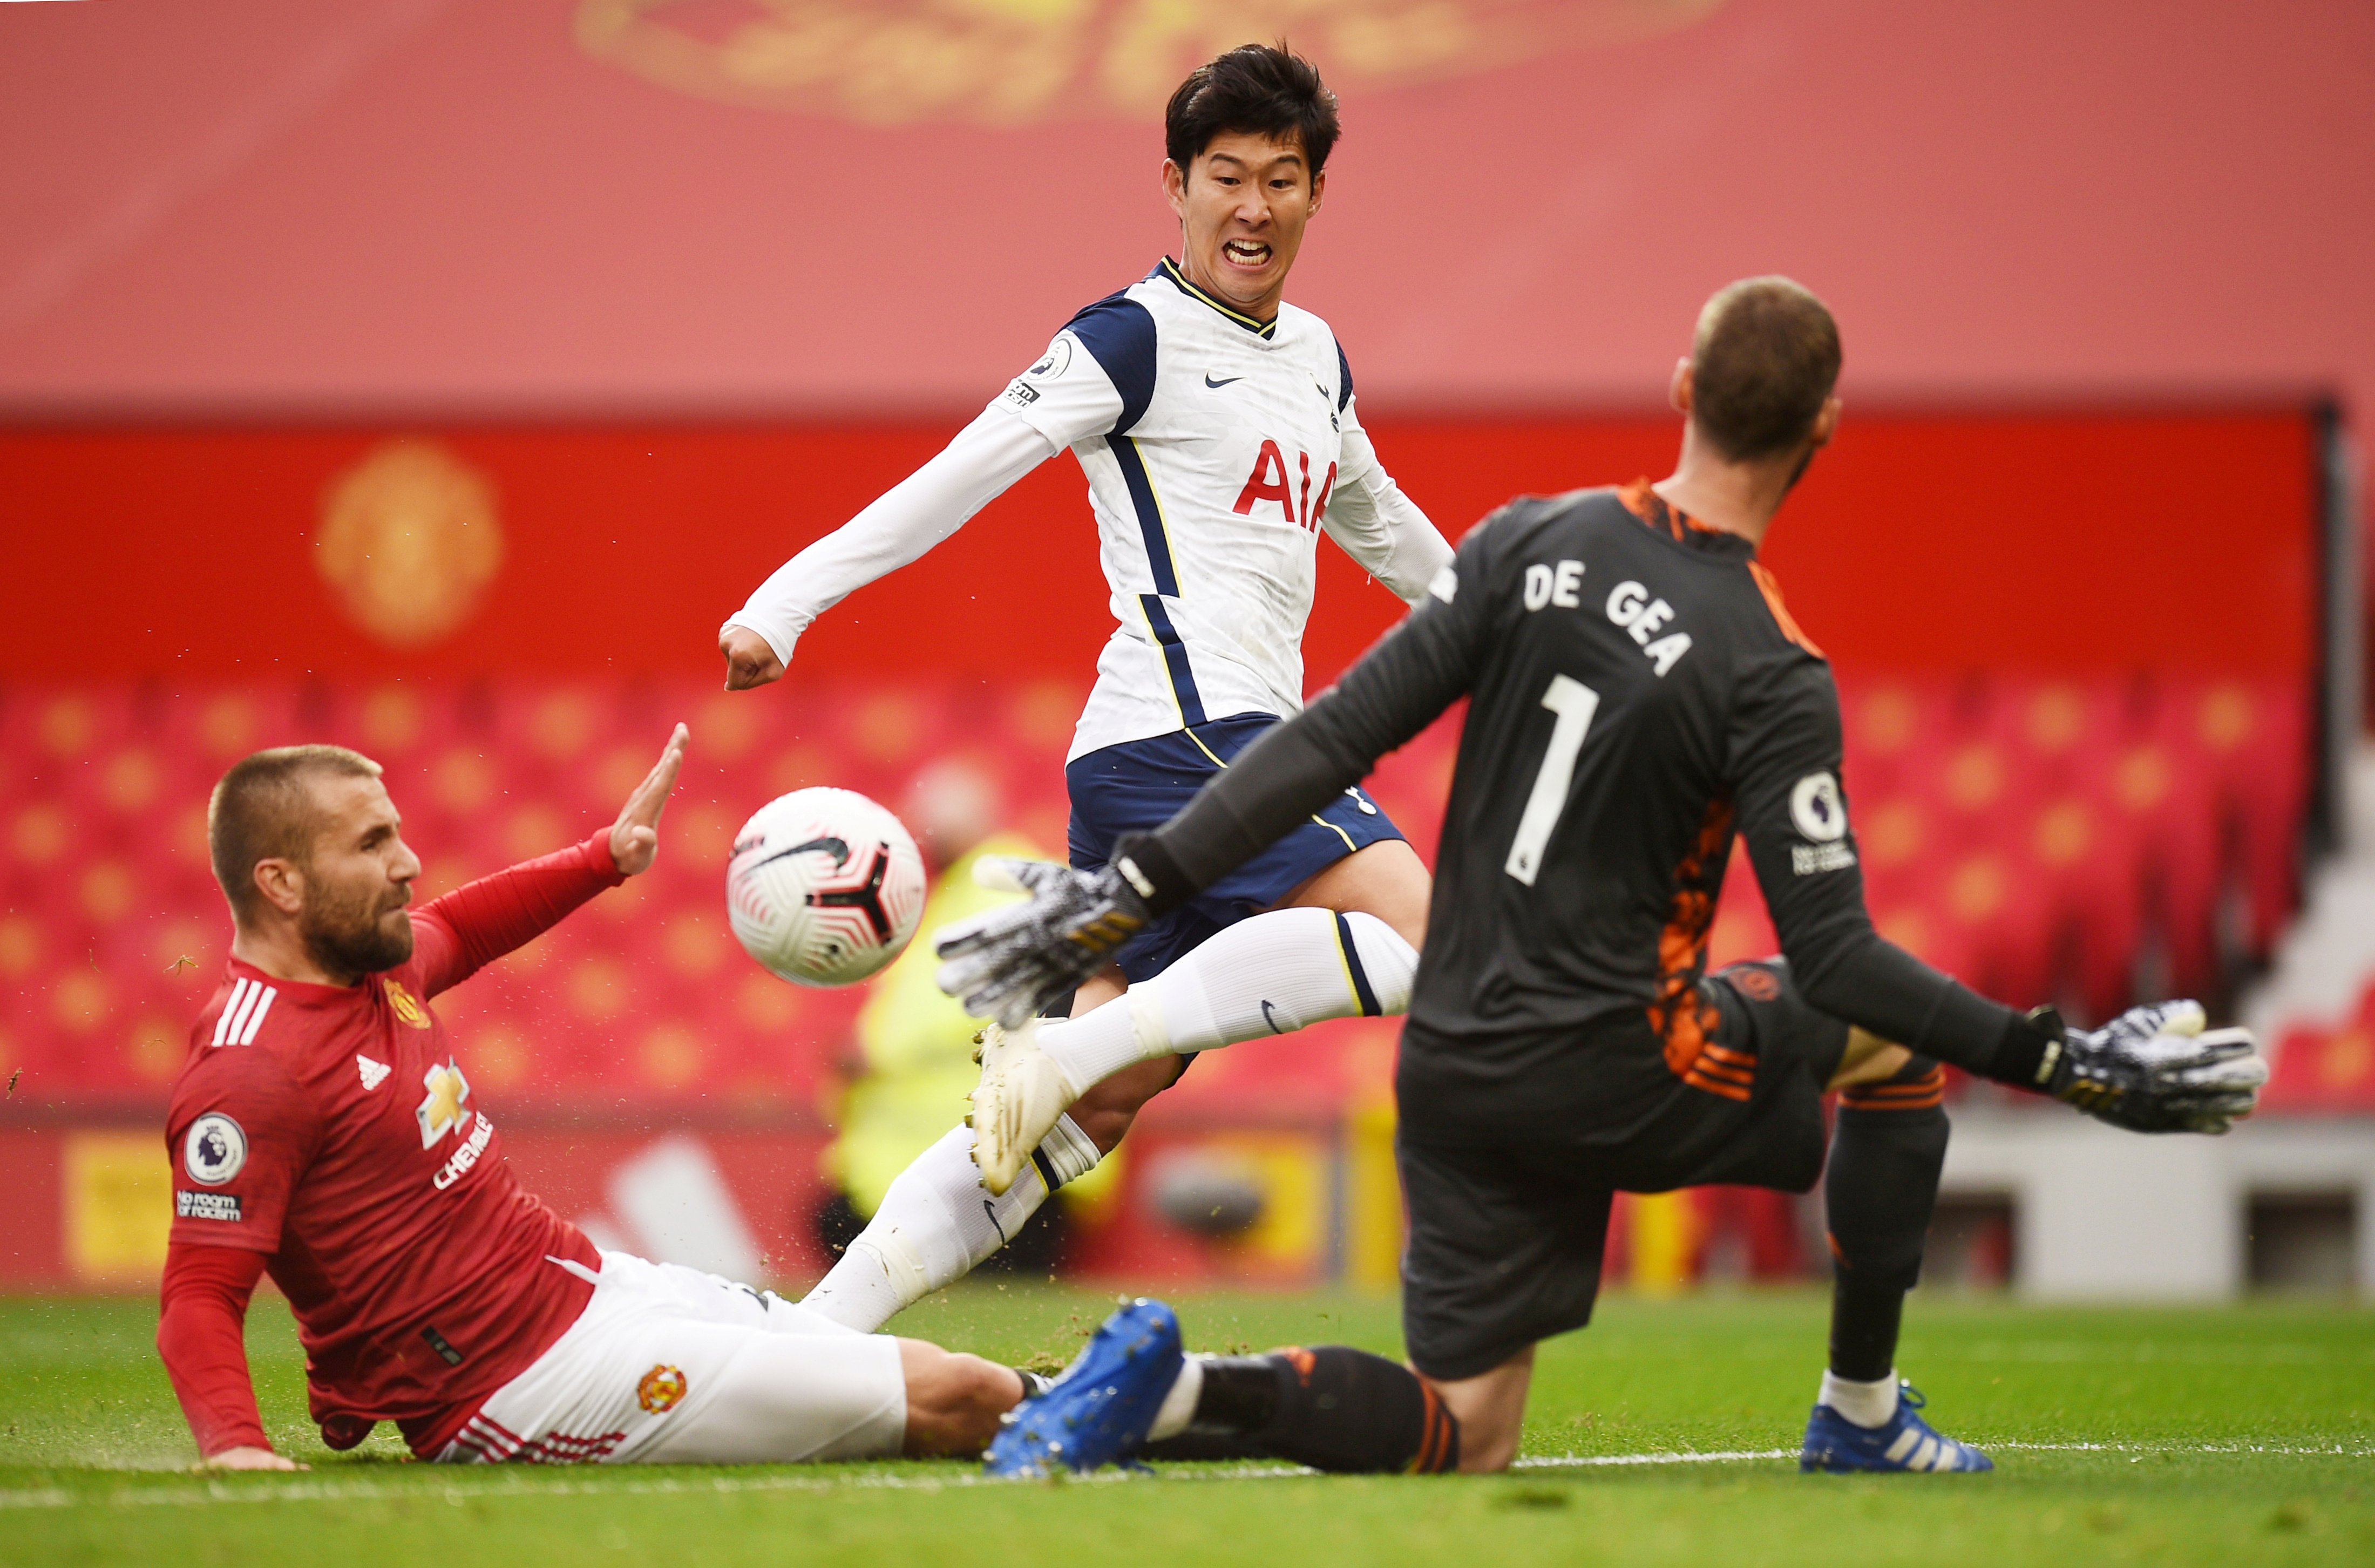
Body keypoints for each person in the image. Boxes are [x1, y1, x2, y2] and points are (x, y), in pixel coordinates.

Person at [938, 277, 2270, 1476]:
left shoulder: (1526, 545)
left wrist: (1124, 892)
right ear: (1823, 433)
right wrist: (2065, 1059)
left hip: (1455, 1059)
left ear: (1683, 394)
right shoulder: (1771, 666)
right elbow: (1840, 958)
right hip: (1621, 1058)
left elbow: (1328, 738)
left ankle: (1175, 1391)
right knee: (1882, 1047)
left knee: (1464, 1434)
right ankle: (1859, 1415)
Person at [719, 43, 1449, 1334]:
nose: (1253, 206)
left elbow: (1380, 523)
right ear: (1175, 184)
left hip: (1173, 757)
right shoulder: (1132, 336)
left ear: (1314, 196)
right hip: (1191, 735)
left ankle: (809, 1335)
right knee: (1429, 935)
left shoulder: (1318, 359)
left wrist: (1512, 626)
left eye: (1281, 179)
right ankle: (1067, 1042)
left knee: (1078, 1118)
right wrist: (787, 600)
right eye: (1224, 176)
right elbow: (966, 466)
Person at [156, 731, 1037, 1470]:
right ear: (280, 883)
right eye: (372, 842)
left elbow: (462, 926)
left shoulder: (377, 969)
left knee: (927, 1369)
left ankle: (1170, 1397)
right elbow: (199, 1290)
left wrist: (601, 859)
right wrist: (233, 1444)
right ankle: (1150, 1411)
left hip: (588, 1289)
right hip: (508, 1386)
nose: (407, 862)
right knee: (952, 1396)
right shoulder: (250, 1070)